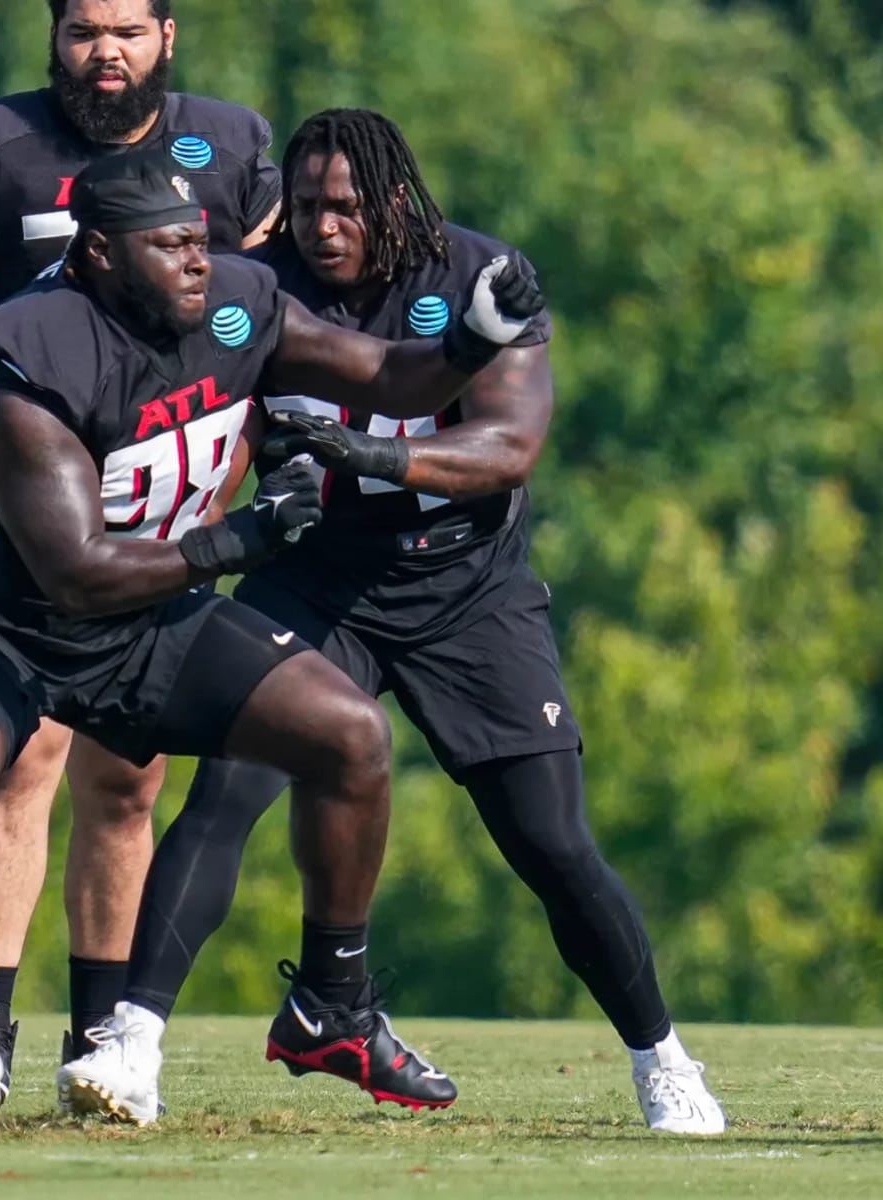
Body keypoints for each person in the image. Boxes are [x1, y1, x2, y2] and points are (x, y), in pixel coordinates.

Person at [59, 110, 727, 1137]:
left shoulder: (477, 275)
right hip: (319, 581)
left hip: (469, 590)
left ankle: (662, 1060)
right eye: (311, 205)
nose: (324, 228)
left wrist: (371, 458)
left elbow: (507, 447)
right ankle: (132, 1043)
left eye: (347, 209)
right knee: (226, 791)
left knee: (551, 841)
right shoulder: (252, 282)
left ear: (398, 204)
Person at [0, 147, 542, 1127]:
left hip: (138, 621)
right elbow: (75, 569)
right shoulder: (30, 347)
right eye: (172, 245)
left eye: (201, 238)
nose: (200, 261)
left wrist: (479, 337)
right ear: (100, 254)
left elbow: (396, 380)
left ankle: (334, 1007)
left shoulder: (236, 300)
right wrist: (241, 538)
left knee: (349, 736)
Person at [0, 0, 283, 1080]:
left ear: (168, 34)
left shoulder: (233, 144)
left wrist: (211, 498)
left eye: (126, 31)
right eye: (80, 32)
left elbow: (248, 339)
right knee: (21, 760)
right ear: (52, 38)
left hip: (160, 490)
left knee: (130, 775)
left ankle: (105, 1035)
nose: (103, 54)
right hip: (15, 500)